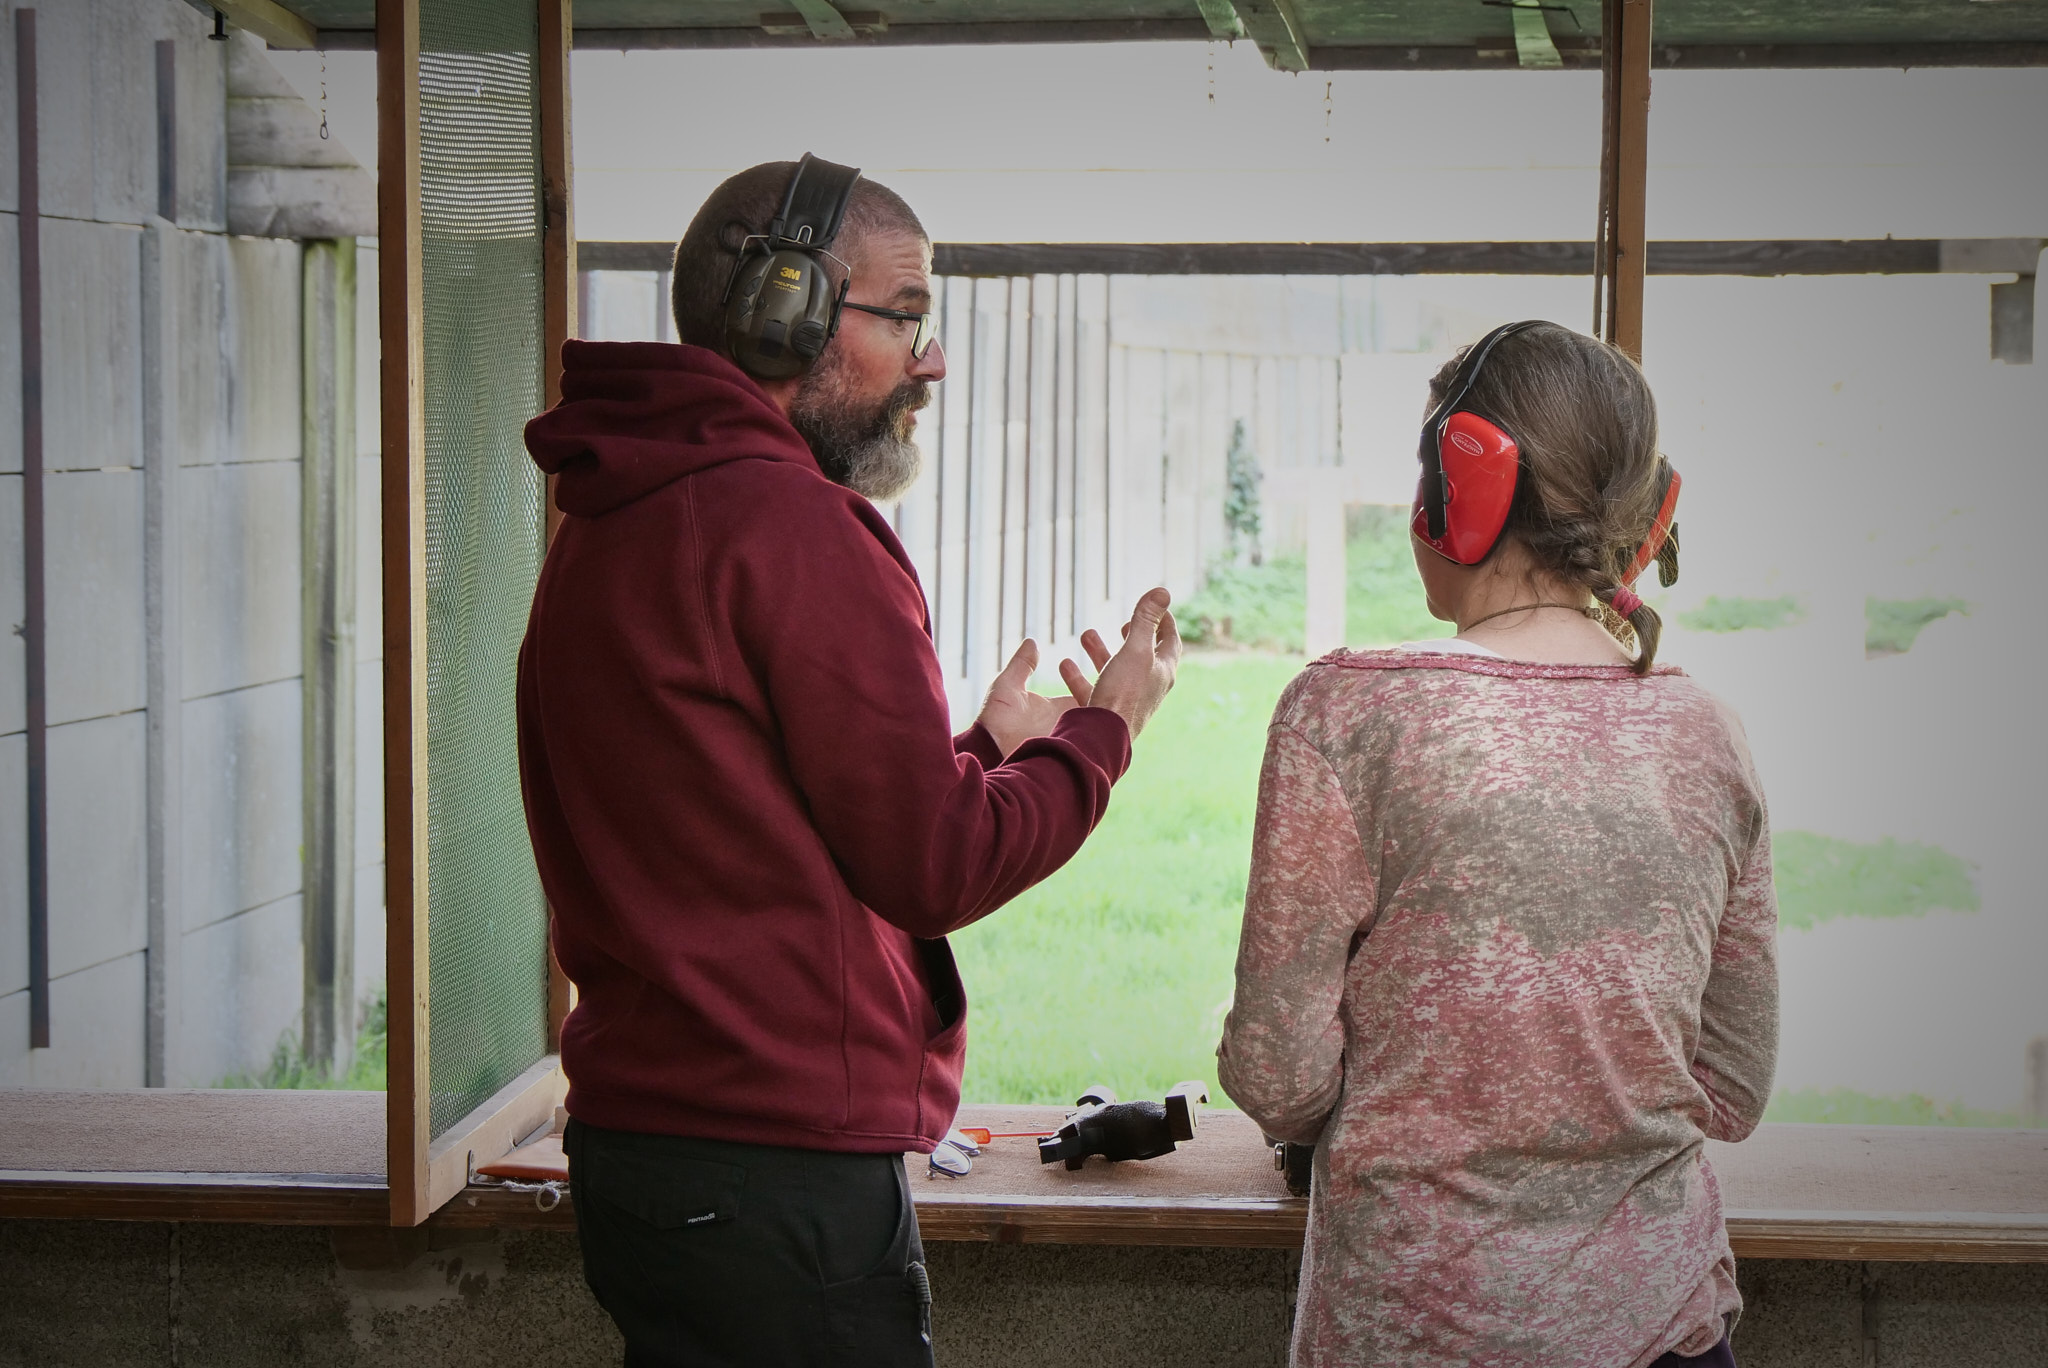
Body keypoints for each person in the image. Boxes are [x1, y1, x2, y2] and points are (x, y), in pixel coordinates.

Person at [517, 157, 1181, 1367]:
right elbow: (935, 866)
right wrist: (1107, 732)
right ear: (789, 306)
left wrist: (985, 752)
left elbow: (746, 814)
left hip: (647, 1151)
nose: (929, 361)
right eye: (906, 317)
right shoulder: (796, 527)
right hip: (774, 1175)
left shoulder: (616, 508)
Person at [1217, 321, 1778, 1368]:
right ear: (1644, 521)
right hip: (1663, 1334)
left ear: (1454, 493)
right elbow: (1731, 1089)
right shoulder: (1707, 733)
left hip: (1414, 1334)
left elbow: (1276, 1077)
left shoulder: (1342, 716)